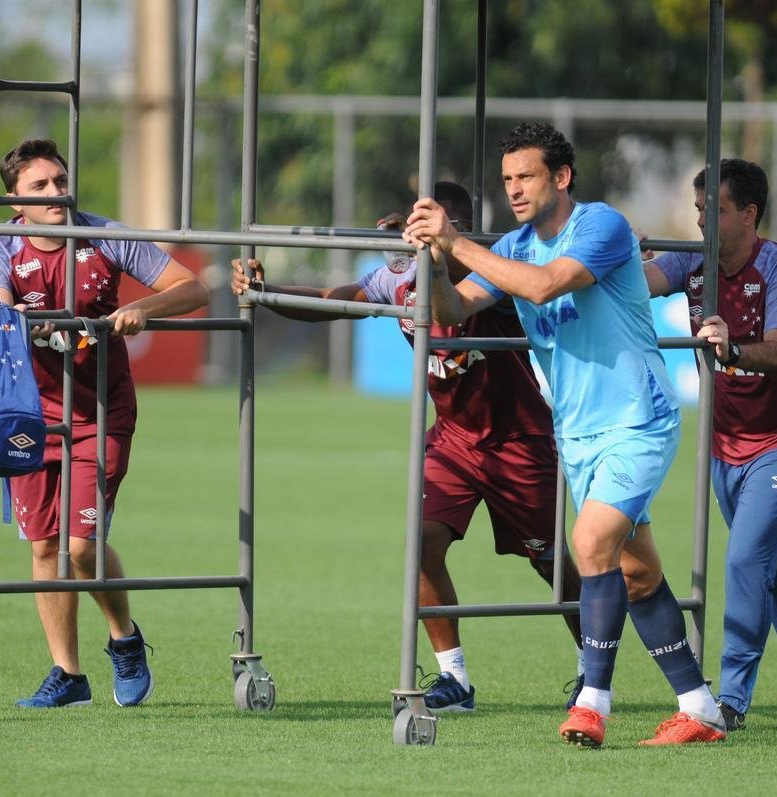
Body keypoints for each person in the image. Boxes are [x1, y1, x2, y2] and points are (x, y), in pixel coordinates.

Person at [403, 123, 726, 747]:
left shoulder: (601, 227)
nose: (515, 189)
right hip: (576, 436)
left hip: (639, 420)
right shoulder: (517, 245)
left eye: (526, 176)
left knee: (590, 541)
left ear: (562, 177)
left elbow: (544, 285)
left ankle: (592, 703)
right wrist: (438, 264)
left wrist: (456, 240)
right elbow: (450, 311)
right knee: (636, 573)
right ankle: (699, 705)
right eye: (507, 180)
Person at [231, 181, 585, 713]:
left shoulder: (490, 270)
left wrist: (435, 249)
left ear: (456, 227)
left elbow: (464, 283)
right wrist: (268, 291)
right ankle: (455, 680)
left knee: (551, 564)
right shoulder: (397, 276)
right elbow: (337, 302)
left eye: (429, 222)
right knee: (420, 546)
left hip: (519, 442)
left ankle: (591, 668)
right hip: (453, 440)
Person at [0, 138, 210, 709]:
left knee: (81, 547)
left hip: (100, 414)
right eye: (41, 186)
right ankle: (68, 675)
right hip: (29, 413)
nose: (57, 193)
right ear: (15, 200)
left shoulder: (105, 233)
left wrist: (140, 311)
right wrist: (9, 314)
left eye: (60, 180)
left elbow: (195, 287)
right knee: (42, 544)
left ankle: (124, 638)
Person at [644, 158, 777, 730]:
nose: (702, 219)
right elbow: (640, 282)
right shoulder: (691, 259)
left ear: (749, 214)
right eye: (699, 208)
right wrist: (617, 252)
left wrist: (731, 349)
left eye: (716, 210)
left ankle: (728, 702)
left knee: (746, 557)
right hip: (726, 445)